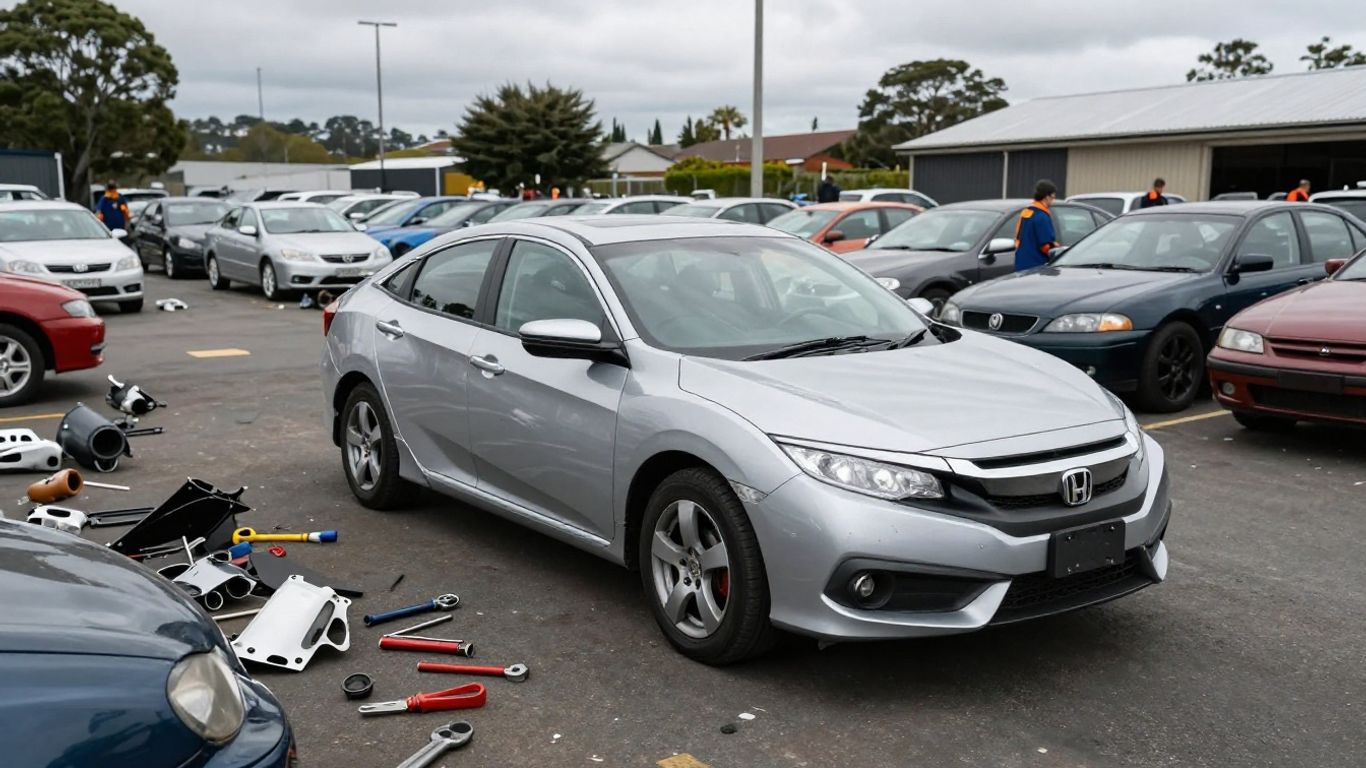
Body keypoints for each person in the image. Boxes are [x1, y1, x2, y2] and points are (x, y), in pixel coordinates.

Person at [1014, 180, 1060, 272]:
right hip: (1037, 267)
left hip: (1020, 264)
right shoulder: (1042, 216)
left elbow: (1017, 240)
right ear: (1046, 196)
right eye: (1052, 196)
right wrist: (1058, 252)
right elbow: (1046, 246)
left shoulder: (1025, 213)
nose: (1053, 199)